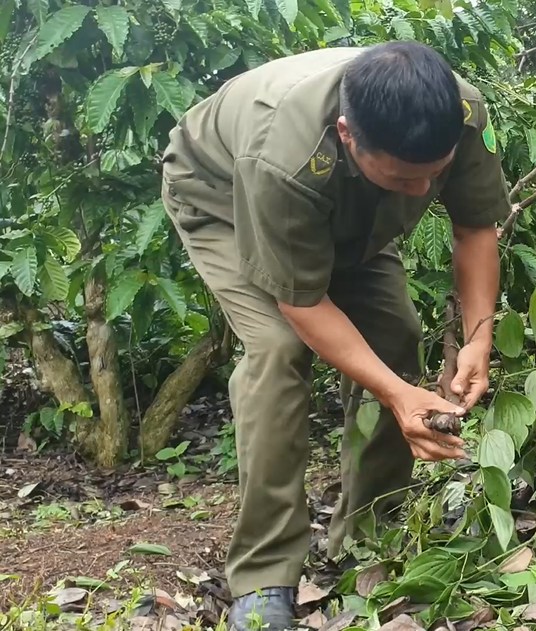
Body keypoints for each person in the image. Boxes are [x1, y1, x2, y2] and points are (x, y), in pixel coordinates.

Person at [158, 42, 509, 629]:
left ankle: (369, 533)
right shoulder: (282, 158)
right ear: (347, 134)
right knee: (278, 350)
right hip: (222, 198)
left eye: (435, 173)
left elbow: (475, 225)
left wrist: (477, 336)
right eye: (406, 177)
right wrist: (399, 397)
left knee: (396, 335)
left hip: (347, 207)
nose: (423, 193)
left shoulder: (459, 114)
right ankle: (263, 578)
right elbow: (302, 301)